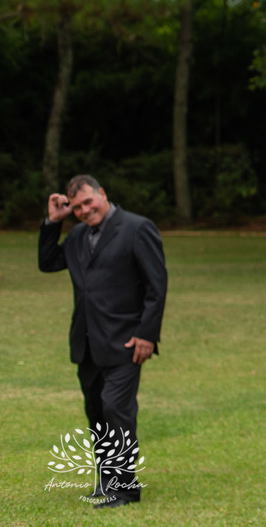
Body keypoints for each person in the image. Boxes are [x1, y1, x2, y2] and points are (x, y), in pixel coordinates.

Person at [38, 174, 168, 509]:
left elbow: (156, 286)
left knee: (115, 408)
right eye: (76, 207)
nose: (84, 210)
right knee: (96, 411)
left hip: (127, 341)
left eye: (88, 202)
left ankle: (124, 489)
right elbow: (48, 263)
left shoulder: (137, 228)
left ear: (102, 193)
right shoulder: (78, 235)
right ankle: (106, 481)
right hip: (87, 342)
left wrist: (147, 334)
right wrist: (53, 222)